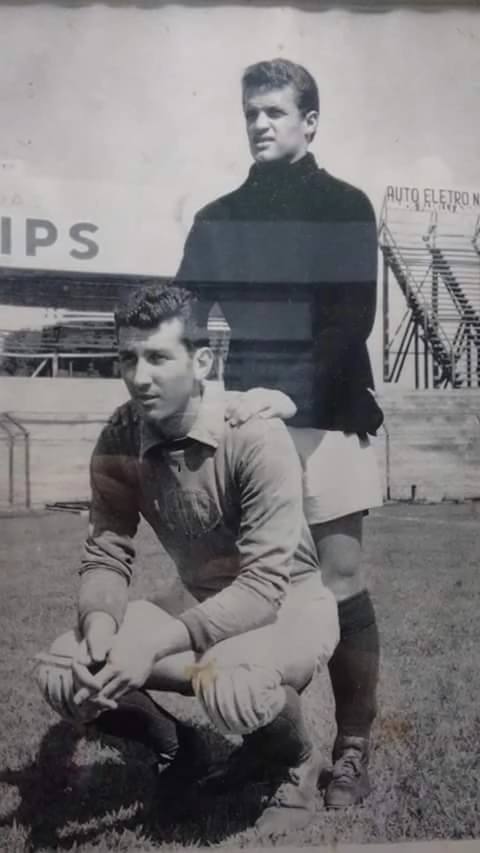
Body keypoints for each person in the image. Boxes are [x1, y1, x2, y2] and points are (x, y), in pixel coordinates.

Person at [35, 283, 339, 838]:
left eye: (157, 357)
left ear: (201, 360)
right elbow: (106, 551)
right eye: (127, 357)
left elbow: (266, 585)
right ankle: (182, 747)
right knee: (64, 666)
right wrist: (103, 634)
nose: (138, 375)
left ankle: (296, 761)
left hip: (287, 603)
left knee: (232, 684)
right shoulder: (120, 435)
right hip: (199, 600)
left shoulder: (254, 435)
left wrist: (151, 642)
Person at [176, 57, 384, 808]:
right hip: (250, 431)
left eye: (274, 112)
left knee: (340, 582)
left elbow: (348, 323)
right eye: (250, 113)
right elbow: (185, 321)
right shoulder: (218, 217)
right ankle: (276, 747)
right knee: (255, 593)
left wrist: (280, 395)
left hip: (327, 418)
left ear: (310, 121)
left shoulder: (346, 205)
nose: (260, 123)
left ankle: (351, 747)